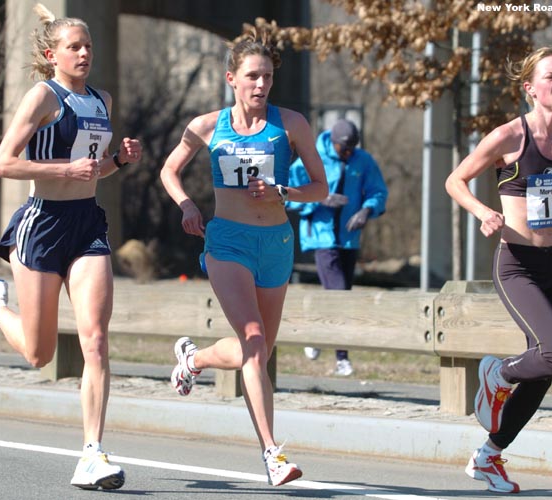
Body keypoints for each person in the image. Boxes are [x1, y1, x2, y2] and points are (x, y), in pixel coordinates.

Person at [0, 3, 142, 490]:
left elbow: (95, 168)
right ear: (53, 54)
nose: (85, 53)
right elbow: (4, 163)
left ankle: (92, 453)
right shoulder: (43, 97)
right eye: (75, 47)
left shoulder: (101, 100)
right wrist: (64, 170)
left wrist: (118, 162)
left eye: (89, 46)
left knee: (97, 341)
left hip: (87, 225)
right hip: (42, 224)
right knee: (40, 354)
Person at [445, 46, 552, 494]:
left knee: (545, 369)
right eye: (551, 77)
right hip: (517, 264)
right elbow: (455, 180)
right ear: (530, 88)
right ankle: (498, 373)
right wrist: (483, 211)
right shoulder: (508, 137)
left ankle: (488, 457)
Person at [160, 30, 327, 486]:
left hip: (275, 244)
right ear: (232, 78)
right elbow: (169, 169)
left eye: (268, 76)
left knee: (258, 351)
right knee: (253, 339)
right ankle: (273, 454)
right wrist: (188, 206)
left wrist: (282, 192)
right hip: (228, 242)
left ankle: (193, 359)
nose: (261, 84)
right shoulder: (208, 125)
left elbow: (321, 187)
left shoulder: (290, 124)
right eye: (252, 76)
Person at [287, 119, 388, 376]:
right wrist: (321, 198)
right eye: (345, 148)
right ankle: (342, 357)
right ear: (333, 141)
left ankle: (315, 334)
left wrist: (367, 210)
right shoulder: (312, 157)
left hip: (349, 238)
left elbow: (378, 191)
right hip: (321, 237)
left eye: (353, 147)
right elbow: (288, 193)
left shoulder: (362, 160)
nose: (348, 153)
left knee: (339, 292)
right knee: (339, 293)